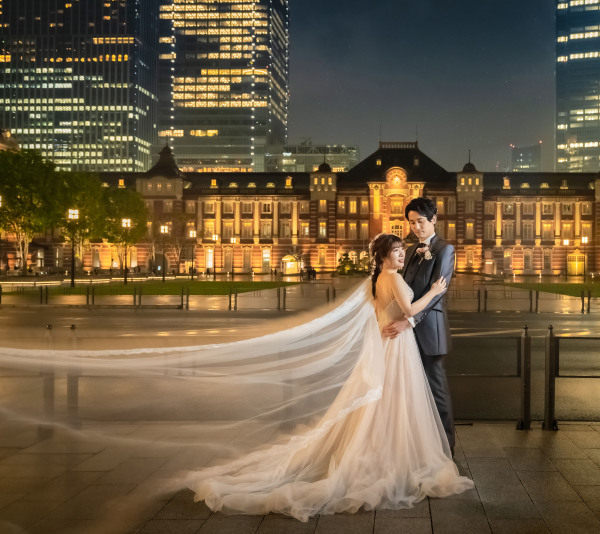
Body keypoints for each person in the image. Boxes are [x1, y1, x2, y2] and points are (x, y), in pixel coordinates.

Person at [187, 232, 473, 519]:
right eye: (396, 251)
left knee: (382, 402)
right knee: (397, 399)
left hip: (388, 342)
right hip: (398, 345)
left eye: (401, 251)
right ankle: (397, 455)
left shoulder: (378, 280)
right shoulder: (395, 279)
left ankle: (382, 450)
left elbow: (378, 316)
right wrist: (434, 292)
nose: (402, 255)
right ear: (384, 256)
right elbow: (409, 310)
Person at [383, 197, 457, 455]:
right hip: (407, 333)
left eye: (420, 221)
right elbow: (404, 291)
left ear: (434, 219)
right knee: (413, 391)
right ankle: (421, 446)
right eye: (412, 222)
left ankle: (447, 448)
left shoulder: (445, 250)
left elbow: (438, 293)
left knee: (437, 392)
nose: (416, 227)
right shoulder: (413, 250)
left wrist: (409, 320)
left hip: (429, 332)